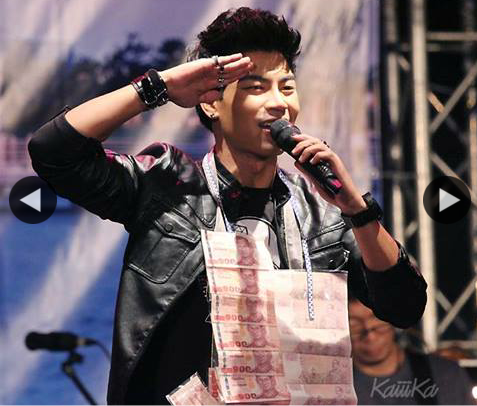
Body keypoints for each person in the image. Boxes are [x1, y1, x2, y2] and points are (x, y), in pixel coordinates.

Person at [28, 7, 427, 404]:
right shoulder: (167, 186)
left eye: (287, 87)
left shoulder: (320, 214)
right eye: (256, 88)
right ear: (211, 104)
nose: (279, 103)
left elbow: (405, 307)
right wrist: (157, 87)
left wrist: (357, 209)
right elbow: (54, 151)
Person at [349, 296, 475, 405]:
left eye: (376, 319)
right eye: (354, 325)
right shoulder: (338, 384)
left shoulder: (445, 374)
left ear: (392, 320)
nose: (370, 335)